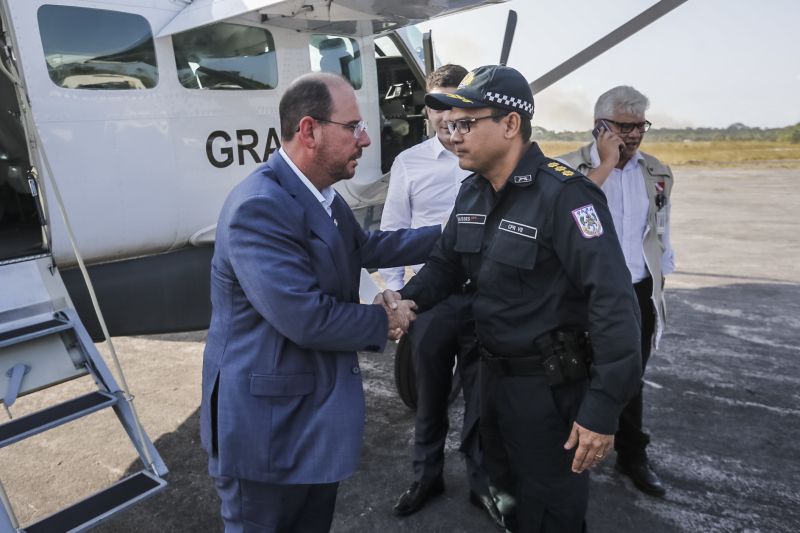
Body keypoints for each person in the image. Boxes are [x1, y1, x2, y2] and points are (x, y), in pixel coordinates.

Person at [382, 65, 642, 532]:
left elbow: (614, 303)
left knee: (551, 513)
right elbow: (445, 265)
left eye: (466, 123)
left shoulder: (566, 196)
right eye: (450, 124)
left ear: (509, 124)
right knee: (507, 499)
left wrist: (602, 410)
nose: (453, 135)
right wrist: (407, 300)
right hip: (490, 385)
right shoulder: (473, 192)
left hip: (549, 393)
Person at [199, 72, 442, 533]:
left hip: (308, 422)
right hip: (266, 433)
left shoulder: (321, 196)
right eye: (353, 127)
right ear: (309, 130)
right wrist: (388, 318)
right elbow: (306, 318)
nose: (366, 138)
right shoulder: (260, 205)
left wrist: (452, 238)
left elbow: (366, 248)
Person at [381, 64, 503, 527]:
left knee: (481, 397)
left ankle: (481, 481)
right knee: (428, 399)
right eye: (436, 105)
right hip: (429, 300)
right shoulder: (410, 162)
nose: (444, 114)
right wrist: (396, 300)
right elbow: (392, 231)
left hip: (484, 298)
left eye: (454, 103)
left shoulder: (488, 156)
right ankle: (425, 476)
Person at [557, 86, 675, 497]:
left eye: (640, 125)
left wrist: (662, 276)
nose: (634, 135)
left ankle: (631, 454)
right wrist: (605, 164)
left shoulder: (655, 171)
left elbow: (660, 228)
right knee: (573, 372)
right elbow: (571, 214)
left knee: (629, 375)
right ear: (599, 126)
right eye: (624, 126)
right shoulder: (568, 169)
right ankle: (568, 451)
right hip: (582, 292)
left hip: (636, 289)